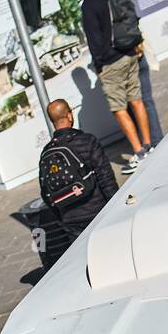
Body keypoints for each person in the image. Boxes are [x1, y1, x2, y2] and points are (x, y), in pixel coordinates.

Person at [79, 0, 152, 172]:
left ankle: (139, 153)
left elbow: (94, 39)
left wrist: (99, 65)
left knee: (119, 108)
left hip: (111, 62)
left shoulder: (89, 3)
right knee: (136, 100)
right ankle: (148, 145)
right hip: (128, 53)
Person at [37, 98, 118, 257]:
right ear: (69, 115)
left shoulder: (46, 153)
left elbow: (45, 193)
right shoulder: (87, 141)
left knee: (86, 259)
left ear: (52, 120)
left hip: (71, 221)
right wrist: (116, 205)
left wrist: (62, 216)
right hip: (98, 212)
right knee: (111, 254)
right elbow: (105, 177)